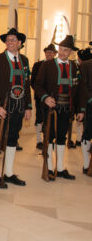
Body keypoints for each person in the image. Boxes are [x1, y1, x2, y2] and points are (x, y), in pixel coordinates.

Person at [0, 26, 32, 188]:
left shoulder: (25, 60)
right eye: (8, 40)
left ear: (20, 43)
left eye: (13, 40)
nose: (10, 42)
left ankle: (8, 173)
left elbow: (27, 84)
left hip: (19, 107)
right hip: (3, 107)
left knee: (13, 139)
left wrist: (28, 106)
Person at [35, 35, 81, 180]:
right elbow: (38, 85)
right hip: (51, 108)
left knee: (62, 137)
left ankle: (60, 168)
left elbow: (77, 90)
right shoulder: (47, 65)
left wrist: (79, 110)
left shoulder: (74, 66)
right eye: (60, 49)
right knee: (49, 137)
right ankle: (48, 167)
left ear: (71, 52)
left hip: (66, 108)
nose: (62, 52)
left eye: (65, 50)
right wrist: (46, 98)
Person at [30, 43, 57, 150]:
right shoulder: (38, 65)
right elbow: (33, 82)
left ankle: (49, 139)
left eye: (51, 52)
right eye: (47, 52)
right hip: (40, 97)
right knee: (40, 118)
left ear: (55, 54)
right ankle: (39, 140)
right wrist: (42, 94)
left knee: (51, 119)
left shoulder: (57, 65)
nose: (49, 54)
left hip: (54, 98)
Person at [78, 47, 92, 175]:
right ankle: (87, 165)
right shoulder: (86, 66)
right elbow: (83, 86)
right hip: (90, 105)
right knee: (87, 134)